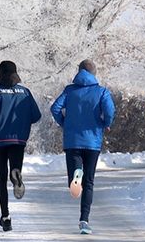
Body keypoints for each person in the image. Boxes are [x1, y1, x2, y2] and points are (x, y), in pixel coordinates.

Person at [50, 59, 115, 235]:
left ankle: (75, 174)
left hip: (72, 140)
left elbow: (55, 108)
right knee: (89, 182)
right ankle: (84, 220)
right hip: (93, 141)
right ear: (94, 73)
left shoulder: (70, 91)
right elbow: (109, 111)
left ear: (78, 72)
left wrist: (64, 123)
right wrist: (105, 123)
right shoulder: (102, 91)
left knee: (75, 177)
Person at [0, 60, 42, 232]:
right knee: (15, 168)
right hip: (18, 140)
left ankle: (5, 216)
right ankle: (16, 175)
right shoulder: (25, 92)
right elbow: (36, 115)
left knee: (1, 177)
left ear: (0, 73)